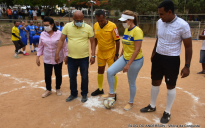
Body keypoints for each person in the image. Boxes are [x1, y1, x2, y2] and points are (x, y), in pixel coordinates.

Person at [140, 1, 192, 124]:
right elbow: (159, 38)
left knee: (170, 85)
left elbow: (188, 46)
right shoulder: (160, 22)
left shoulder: (183, 25)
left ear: (170, 12)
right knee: (155, 81)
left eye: (162, 14)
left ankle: (167, 111)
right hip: (158, 57)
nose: (160, 17)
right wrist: (154, 53)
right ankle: (152, 106)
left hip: (172, 59)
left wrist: (187, 66)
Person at [104, 10, 144, 111]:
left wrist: (128, 64)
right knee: (109, 72)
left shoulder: (137, 31)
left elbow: (137, 49)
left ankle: (130, 102)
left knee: (131, 82)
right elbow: (125, 44)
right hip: (125, 57)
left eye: (124, 21)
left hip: (135, 60)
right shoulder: (127, 29)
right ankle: (111, 94)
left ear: (130, 20)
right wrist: (121, 56)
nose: (123, 23)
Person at [55, 10, 96, 103]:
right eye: (77, 20)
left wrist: (93, 55)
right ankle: (73, 93)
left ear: (83, 19)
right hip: (71, 58)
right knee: (72, 77)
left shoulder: (88, 27)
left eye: (81, 20)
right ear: (73, 19)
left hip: (84, 58)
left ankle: (84, 93)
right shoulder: (67, 27)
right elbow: (61, 40)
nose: (79, 22)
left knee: (84, 76)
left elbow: (93, 41)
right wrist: (57, 53)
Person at [91, 10, 120, 97]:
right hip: (101, 53)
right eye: (98, 20)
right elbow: (95, 40)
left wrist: (116, 55)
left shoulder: (113, 26)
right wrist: (93, 53)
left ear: (105, 17)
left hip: (111, 52)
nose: (100, 22)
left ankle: (113, 92)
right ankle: (100, 89)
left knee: (112, 72)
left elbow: (117, 41)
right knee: (100, 70)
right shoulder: (95, 25)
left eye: (102, 20)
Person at [36, 17, 68, 98]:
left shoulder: (59, 33)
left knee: (58, 74)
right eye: (44, 25)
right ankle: (48, 89)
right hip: (47, 59)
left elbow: (65, 46)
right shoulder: (43, 34)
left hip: (58, 58)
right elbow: (40, 47)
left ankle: (58, 88)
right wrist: (37, 57)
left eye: (47, 25)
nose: (45, 27)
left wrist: (66, 55)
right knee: (47, 74)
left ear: (52, 25)